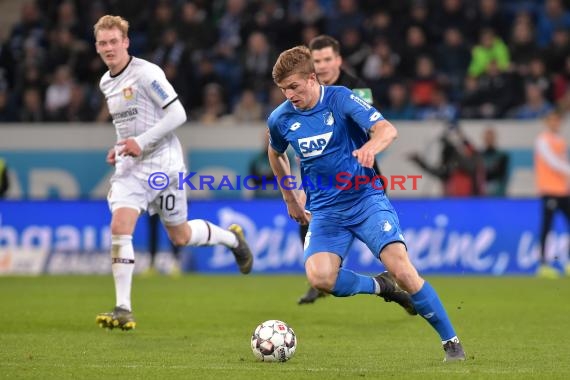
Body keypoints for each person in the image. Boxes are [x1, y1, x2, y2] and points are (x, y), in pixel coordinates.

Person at [267, 46, 465, 362]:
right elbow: (275, 153)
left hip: (365, 199)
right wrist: (290, 196)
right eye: (283, 89)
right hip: (326, 211)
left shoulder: (341, 98)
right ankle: (381, 288)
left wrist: (372, 146)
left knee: (402, 269)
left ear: (313, 77)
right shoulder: (281, 118)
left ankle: (451, 343)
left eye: (294, 86)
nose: (289, 95)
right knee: (320, 278)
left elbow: (387, 129)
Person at [93, 15, 253, 331]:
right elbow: (126, 125)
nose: (109, 48)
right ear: (96, 46)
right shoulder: (105, 82)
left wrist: (141, 141)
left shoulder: (147, 73)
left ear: (126, 42)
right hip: (132, 168)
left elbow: (177, 113)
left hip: (166, 165)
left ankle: (232, 239)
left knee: (179, 236)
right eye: (103, 43)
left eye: (114, 41)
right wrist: (121, 146)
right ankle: (123, 307)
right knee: (120, 224)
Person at [297, 34, 386, 305]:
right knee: (308, 218)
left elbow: (367, 127)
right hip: (321, 175)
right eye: (317, 60)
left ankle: (397, 278)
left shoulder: (356, 90)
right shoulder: (306, 93)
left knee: (380, 234)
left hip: (360, 171)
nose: (322, 66)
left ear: (338, 60)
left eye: (327, 59)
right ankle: (320, 281)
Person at [534, 109, 570, 278]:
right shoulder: (542, 140)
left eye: (557, 120)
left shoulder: (561, 141)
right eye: (552, 120)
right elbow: (553, 162)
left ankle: (568, 262)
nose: (555, 123)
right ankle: (543, 264)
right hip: (549, 190)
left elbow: (561, 162)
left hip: (563, 190)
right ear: (547, 122)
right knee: (547, 227)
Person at [481, 127, 509, 196]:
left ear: (494, 138)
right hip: (482, 194)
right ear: (484, 139)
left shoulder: (503, 156)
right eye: (487, 138)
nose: (489, 140)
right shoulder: (479, 156)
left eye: (491, 137)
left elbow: (501, 174)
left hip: (497, 193)